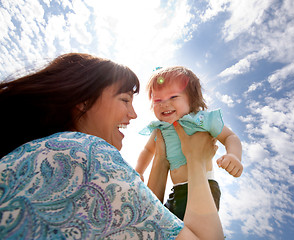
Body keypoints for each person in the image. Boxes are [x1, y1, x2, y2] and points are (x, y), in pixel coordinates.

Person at [0, 53, 223, 239]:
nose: (133, 114)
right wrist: (195, 158)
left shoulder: (36, 151)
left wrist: (162, 158)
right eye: (125, 99)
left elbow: (147, 224)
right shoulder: (85, 152)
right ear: (83, 101)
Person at [135, 66, 243, 220]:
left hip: (203, 186)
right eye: (158, 100)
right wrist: (138, 171)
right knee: (165, 225)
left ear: (191, 99)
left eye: (173, 97)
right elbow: (147, 150)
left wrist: (233, 155)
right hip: (176, 191)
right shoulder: (160, 128)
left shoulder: (200, 119)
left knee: (192, 228)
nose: (164, 104)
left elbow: (230, 137)